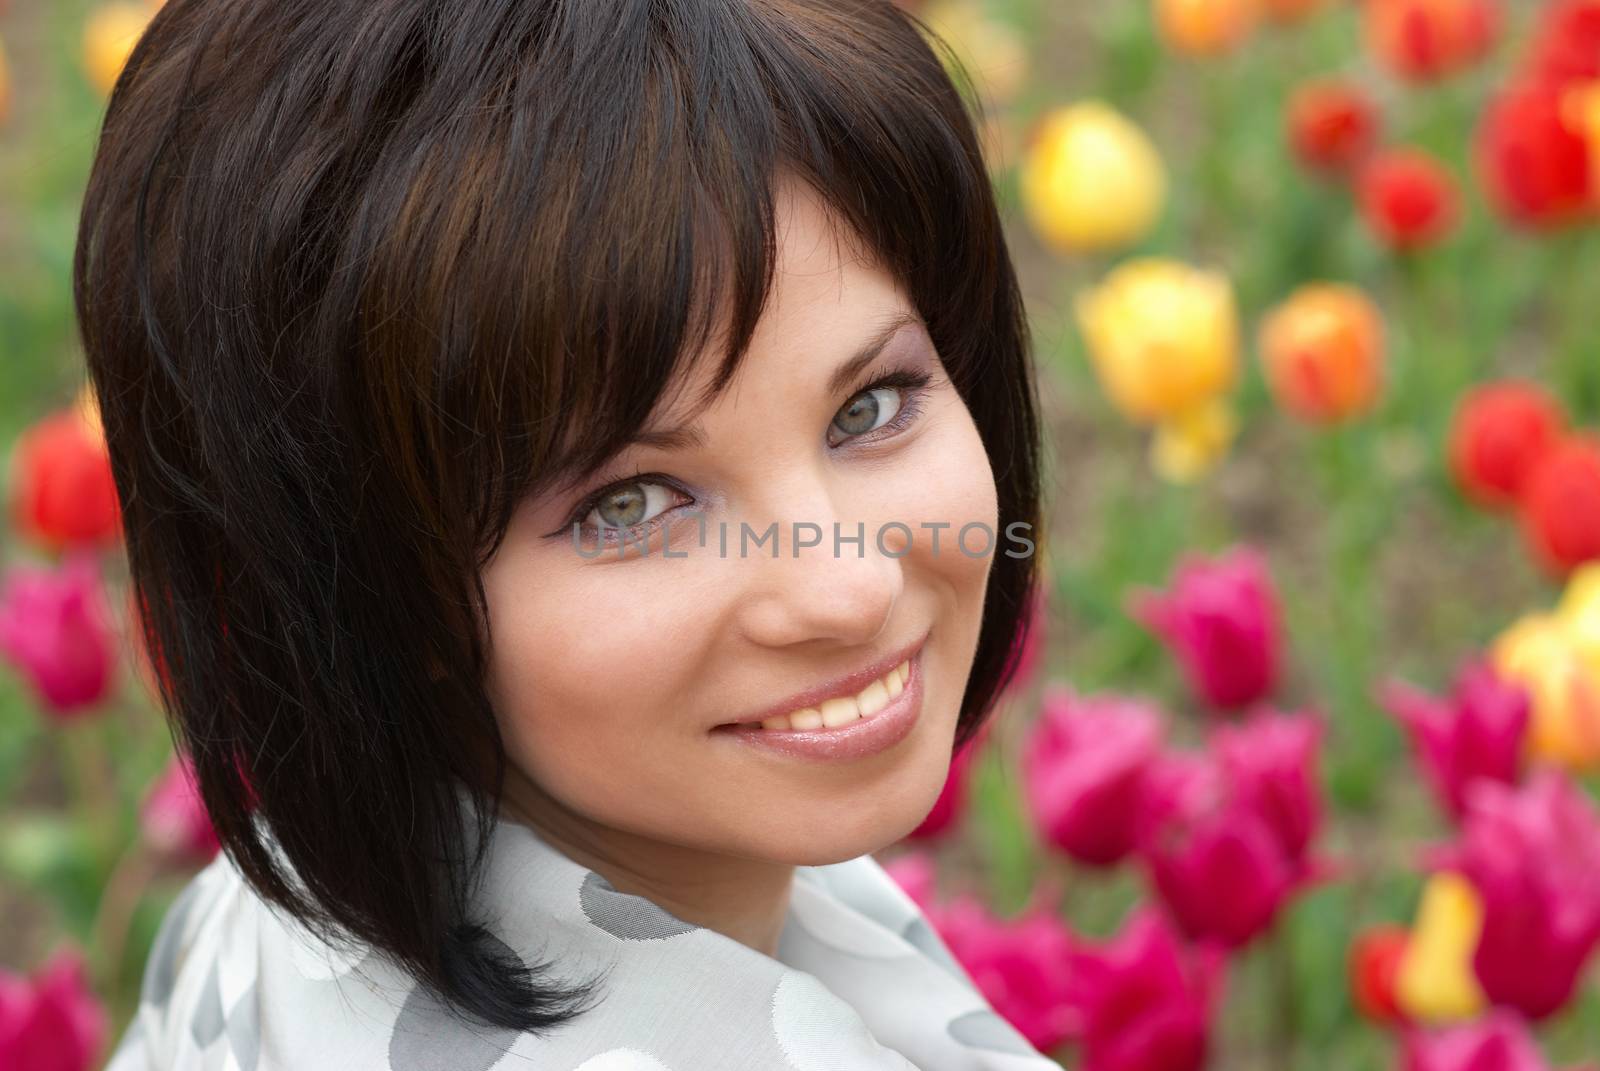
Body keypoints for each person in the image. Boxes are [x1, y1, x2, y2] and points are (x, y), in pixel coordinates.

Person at [75, 0, 1054, 1066]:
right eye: (629, 503)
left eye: (869, 406)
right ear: (360, 581)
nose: (847, 588)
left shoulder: (272, 920)